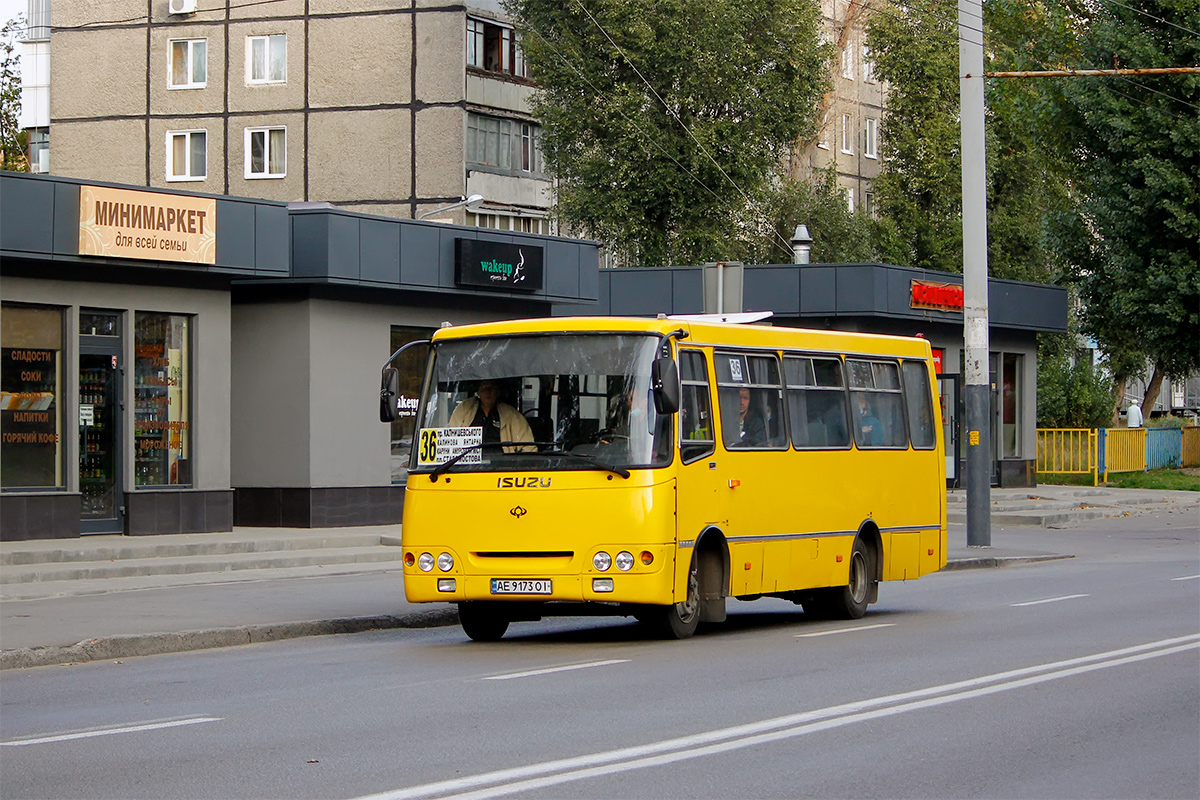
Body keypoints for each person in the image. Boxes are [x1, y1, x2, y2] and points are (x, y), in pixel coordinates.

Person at [448, 380, 534, 452]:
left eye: (492, 388)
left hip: (501, 467)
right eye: (484, 387)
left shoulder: (511, 414)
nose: (488, 391)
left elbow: (529, 447)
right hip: (468, 467)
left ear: (498, 392)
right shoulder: (464, 409)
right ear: (478, 392)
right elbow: (451, 441)